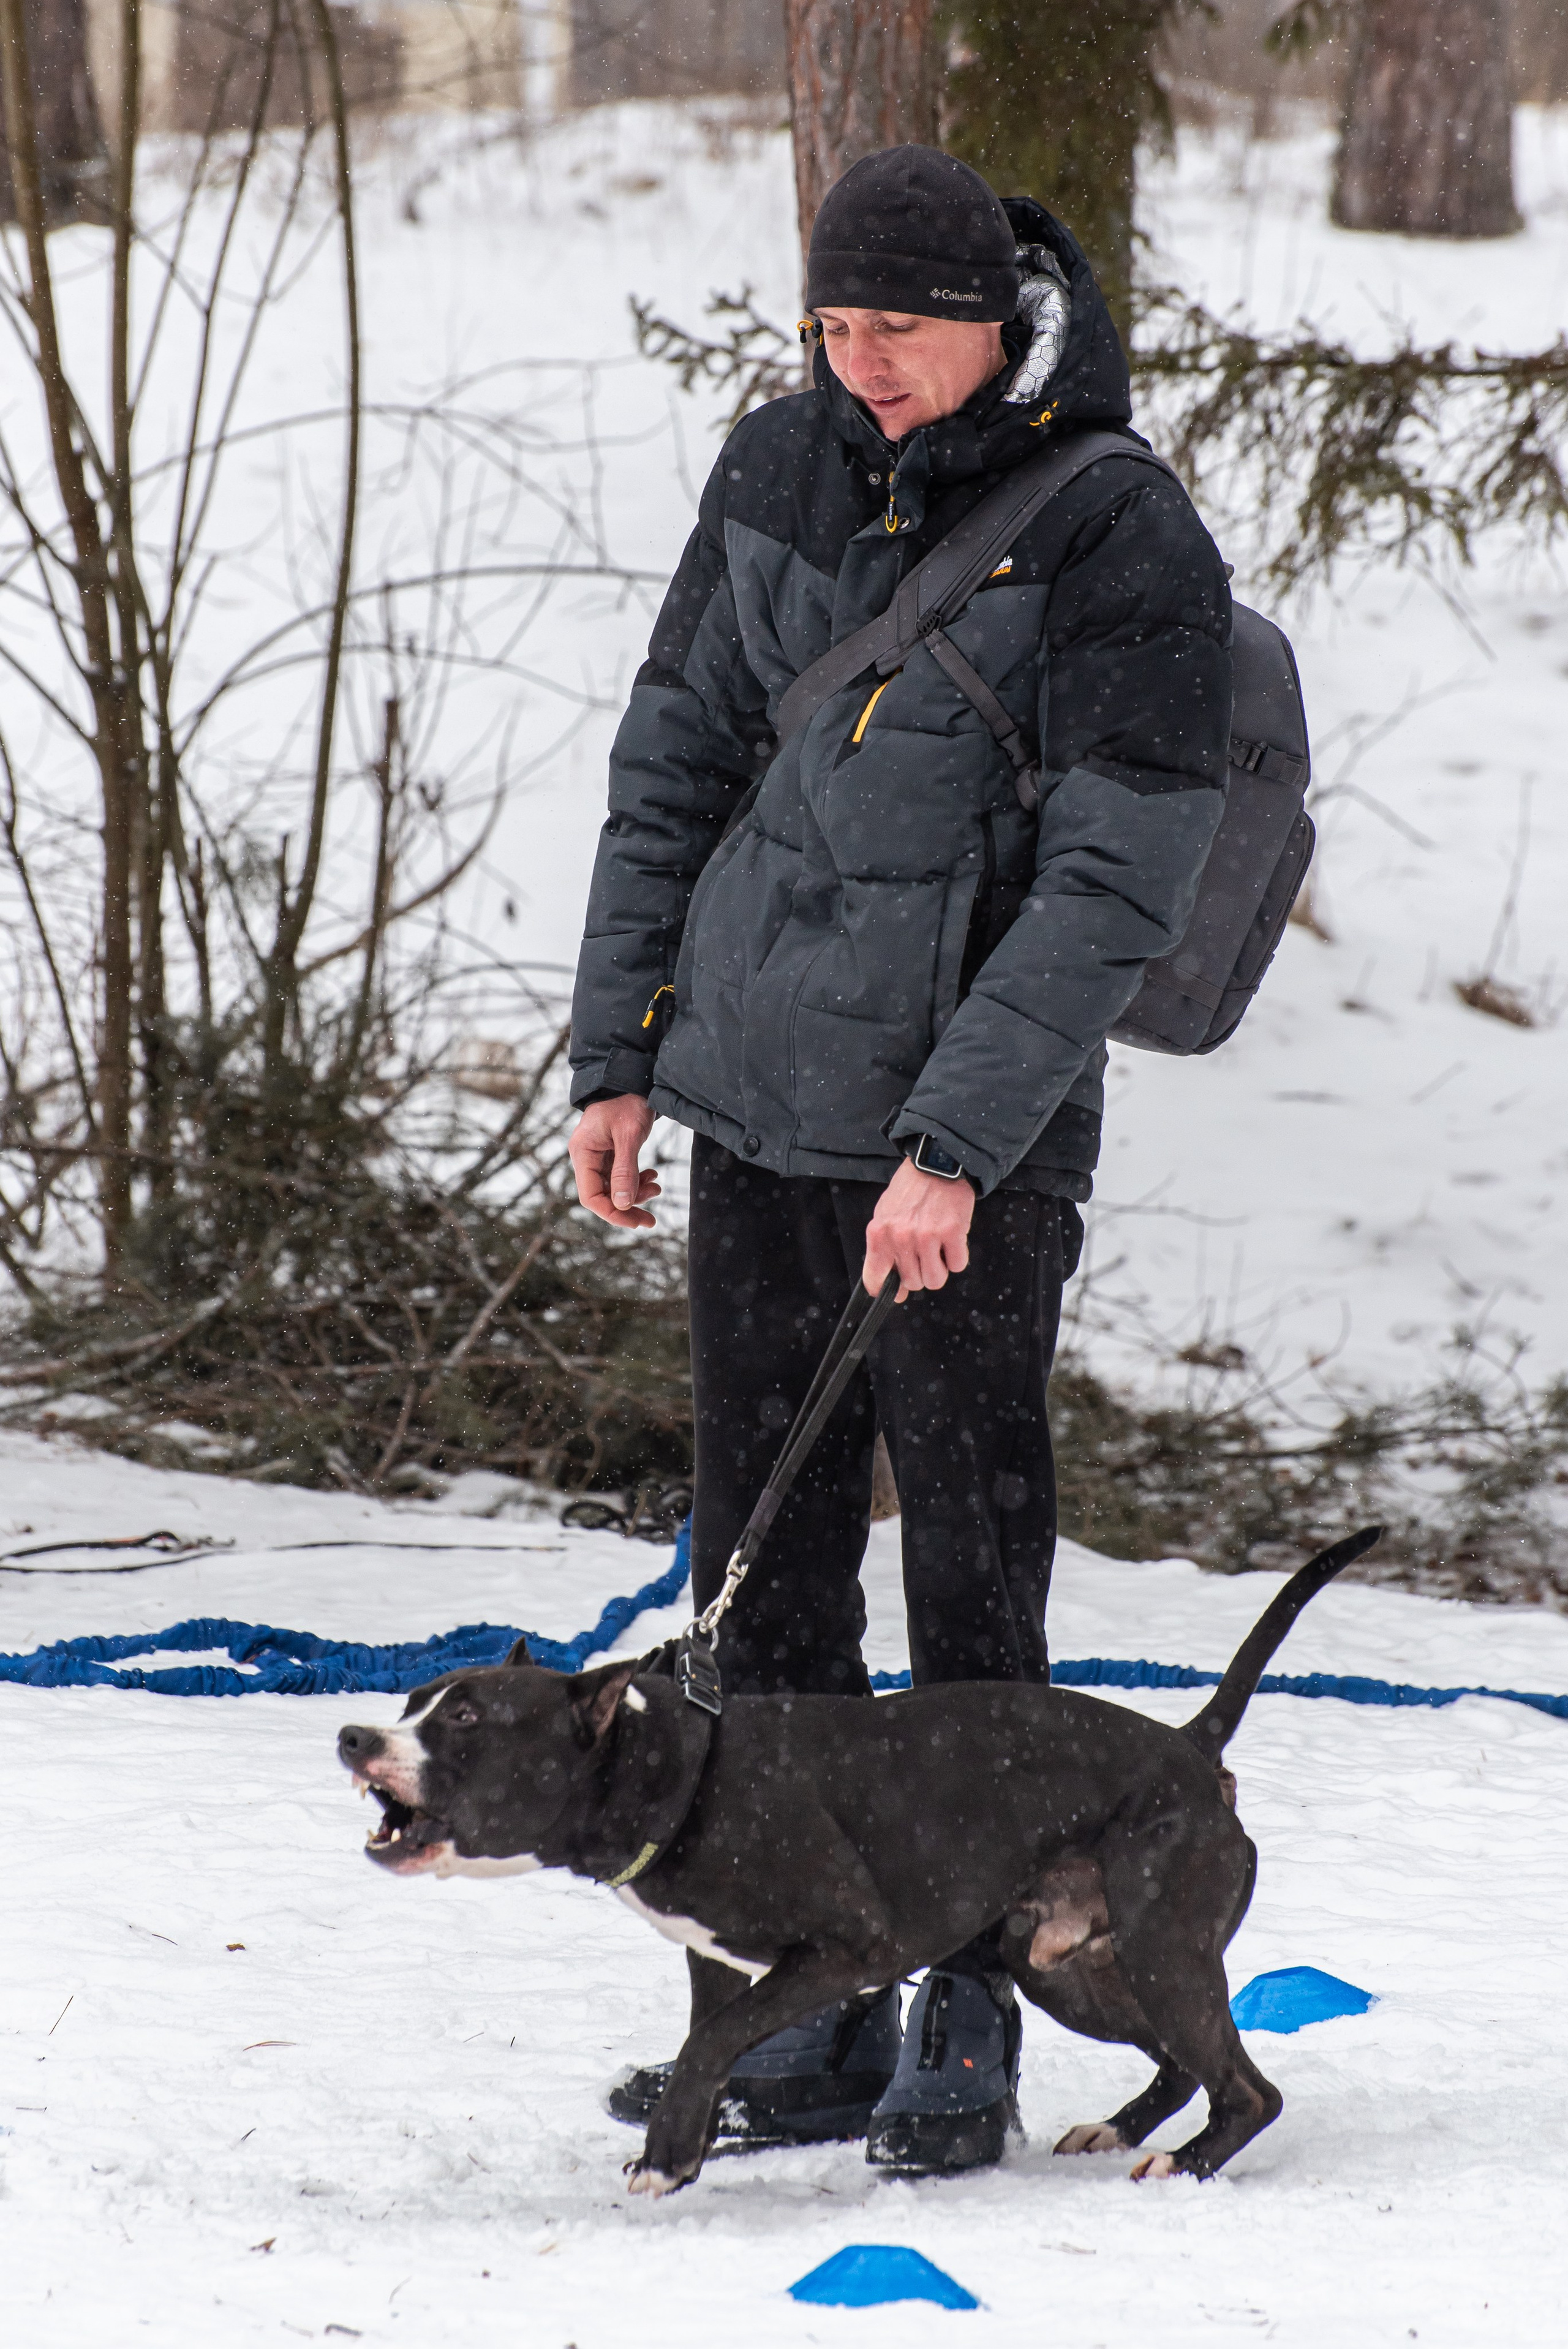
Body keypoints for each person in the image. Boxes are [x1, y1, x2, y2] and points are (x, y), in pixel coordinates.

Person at [565, 143, 1232, 2176]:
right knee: (763, 1592)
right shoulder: (781, 462)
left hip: (966, 1154)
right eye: (834, 328)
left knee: (970, 1585)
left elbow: (1120, 877)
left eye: (900, 333)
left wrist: (955, 1141)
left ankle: (970, 2009)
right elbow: (674, 746)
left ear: (996, 313)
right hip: (761, 1114)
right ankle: (802, 2011)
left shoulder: (1116, 527)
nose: (864, 367)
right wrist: (619, 1051)